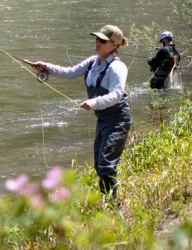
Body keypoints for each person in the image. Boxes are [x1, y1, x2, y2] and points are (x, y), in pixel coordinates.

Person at [27, 24, 131, 203]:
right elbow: (70, 72)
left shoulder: (117, 68)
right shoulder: (92, 62)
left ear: (115, 45)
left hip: (118, 120)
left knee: (106, 165)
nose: (97, 42)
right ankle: (107, 202)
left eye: (102, 40)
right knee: (99, 165)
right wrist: (46, 66)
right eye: (97, 38)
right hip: (103, 119)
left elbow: (117, 94)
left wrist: (93, 102)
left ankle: (115, 205)